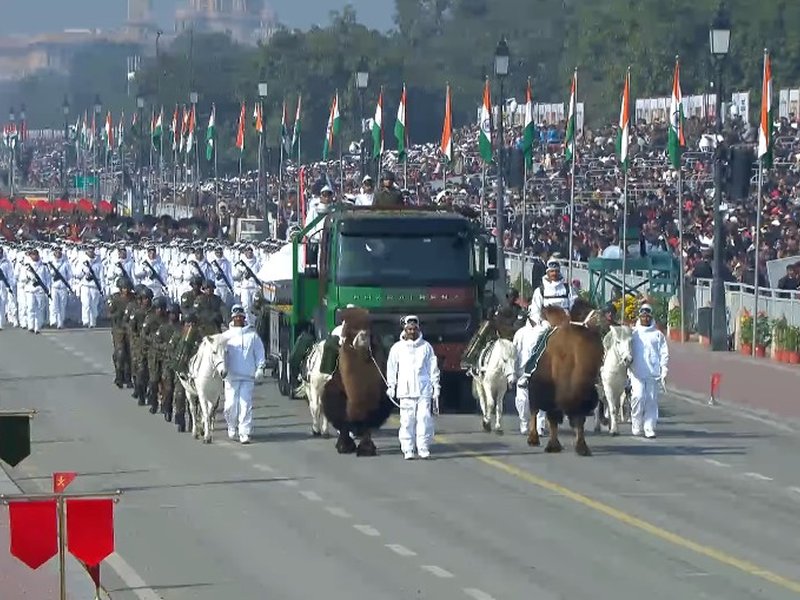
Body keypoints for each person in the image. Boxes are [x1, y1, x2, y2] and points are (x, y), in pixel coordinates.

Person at [386, 315, 440, 460]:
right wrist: (391, 385)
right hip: (405, 390)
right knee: (407, 421)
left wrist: (436, 387)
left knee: (424, 419)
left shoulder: (426, 347)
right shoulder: (397, 348)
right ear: (404, 329)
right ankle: (408, 449)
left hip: (423, 389)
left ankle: (423, 448)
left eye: (414, 328)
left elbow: (432, 368)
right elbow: (392, 368)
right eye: (409, 328)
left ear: (418, 329)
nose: (411, 331)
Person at [221, 304, 267, 444]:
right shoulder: (225, 337)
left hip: (247, 376)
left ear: (244, 318)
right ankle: (231, 426)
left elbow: (259, 353)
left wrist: (260, 368)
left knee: (245, 405)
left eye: (241, 317)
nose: (238, 319)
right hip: (231, 377)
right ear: (232, 318)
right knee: (230, 405)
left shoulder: (252, 336)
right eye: (236, 317)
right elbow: (220, 356)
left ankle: (244, 432)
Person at [629, 303, 669, 438]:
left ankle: (649, 427)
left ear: (651, 317)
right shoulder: (633, 333)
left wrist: (664, 370)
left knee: (651, 400)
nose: (645, 318)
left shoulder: (658, 335)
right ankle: (636, 423)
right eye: (643, 316)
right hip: (636, 372)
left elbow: (664, 353)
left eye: (647, 316)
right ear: (639, 316)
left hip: (653, 373)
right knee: (638, 397)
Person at [512, 307, 552, 437]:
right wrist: (513, 372)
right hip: (523, 372)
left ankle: (539, 426)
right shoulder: (521, 333)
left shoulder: (546, 331)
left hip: (540, 372)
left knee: (540, 400)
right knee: (522, 400)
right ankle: (524, 423)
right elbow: (515, 354)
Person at [528, 258, 576, 324]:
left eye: (556, 271)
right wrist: (538, 322)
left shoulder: (568, 288)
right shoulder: (540, 290)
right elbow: (535, 310)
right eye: (552, 271)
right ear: (547, 272)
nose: (554, 273)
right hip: (547, 323)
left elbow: (574, 305)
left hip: (566, 322)